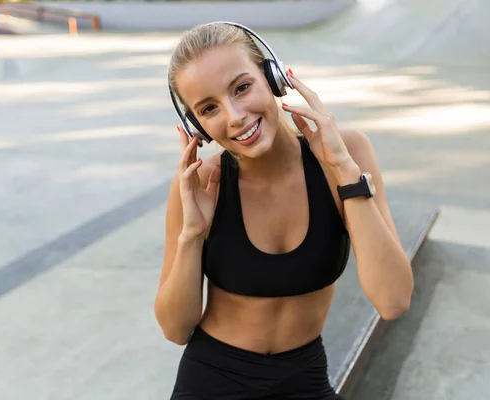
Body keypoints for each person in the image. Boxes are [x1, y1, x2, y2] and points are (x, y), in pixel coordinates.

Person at [154, 21, 414, 400]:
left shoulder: (347, 155)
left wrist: (344, 170)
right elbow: (175, 329)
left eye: (242, 87)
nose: (235, 116)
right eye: (209, 108)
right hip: (210, 382)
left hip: (305, 379)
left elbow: (393, 301)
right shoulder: (199, 185)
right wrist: (192, 235)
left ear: (273, 79)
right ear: (197, 126)